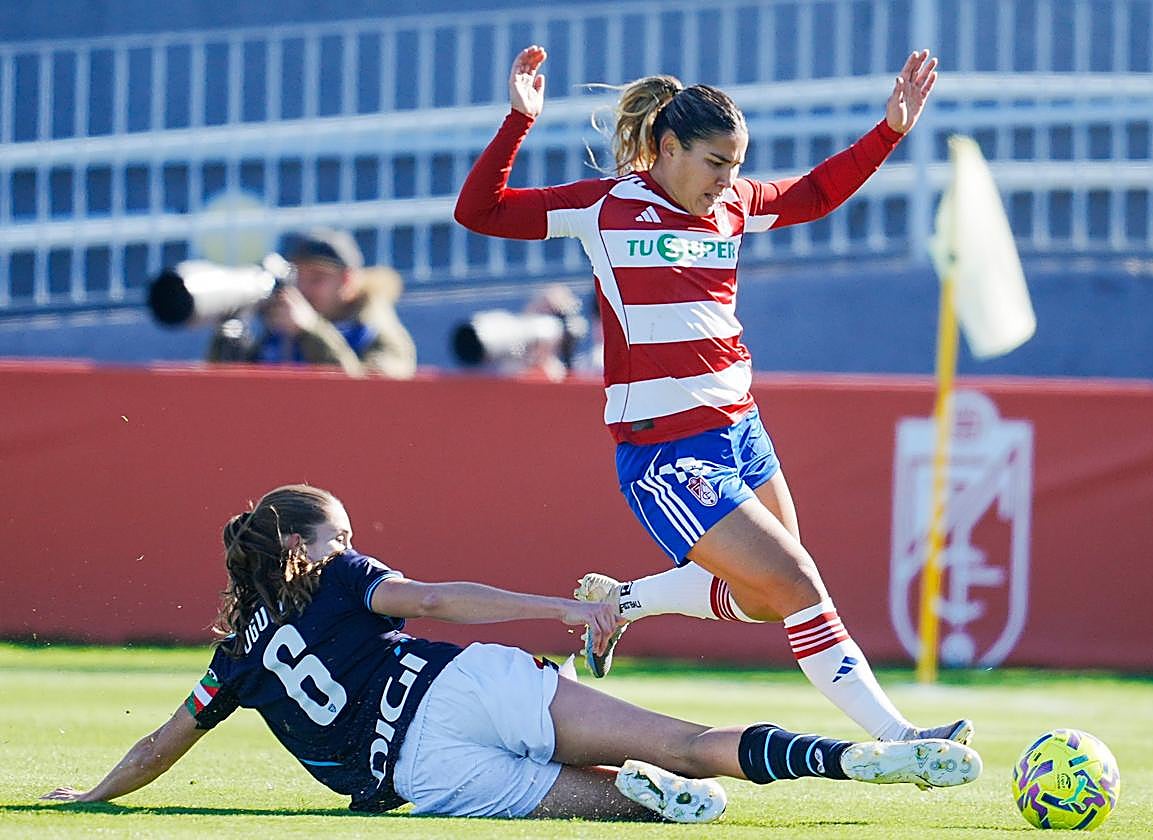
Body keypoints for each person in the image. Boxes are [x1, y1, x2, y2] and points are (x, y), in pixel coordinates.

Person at [454, 46, 969, 746]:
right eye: (716, 164)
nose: (729, 182)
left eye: (736, 166)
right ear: (668, 148)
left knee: (765, 600)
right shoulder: (605, 208)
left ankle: (622, 603)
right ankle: (900, 737)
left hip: (741, 430)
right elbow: (478, 211)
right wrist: (518, 121)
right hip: (667, 449)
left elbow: (814, 194)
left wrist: (891, 132)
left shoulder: (730, 207)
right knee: (794, 581)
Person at [41, 485, 981, 822]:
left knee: (634, 809)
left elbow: (165, 741)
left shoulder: (235, 654)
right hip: (458, 687)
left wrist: (89, 797)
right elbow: (443, 600)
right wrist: (555, 614)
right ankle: (863, 757)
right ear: (315, 541)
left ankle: (651, 802)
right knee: (689, 741)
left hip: (419, 773)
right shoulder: (336, 575)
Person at [207, 228, 417, 378]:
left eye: (317, 279)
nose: (303, 289)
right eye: (297, 277)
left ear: (347, 280)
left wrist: (311, 330)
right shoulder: (281, 328)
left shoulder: (379, 334)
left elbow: (370, 400)